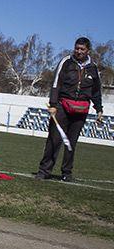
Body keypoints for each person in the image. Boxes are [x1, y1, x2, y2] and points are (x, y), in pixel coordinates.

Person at [36, 37, 104, 182]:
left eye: (82, 49)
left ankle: (67, 173)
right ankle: (44, 171)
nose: (79, 51)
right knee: (54, 139)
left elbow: (96, 91)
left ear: (88, 51)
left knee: (71, 143)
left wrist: (99, 109)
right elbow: (56, 84)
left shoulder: (93, 68)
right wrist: (53, 105)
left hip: (81, 110)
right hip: (62, 107)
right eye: (77, 48)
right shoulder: (66, 62)